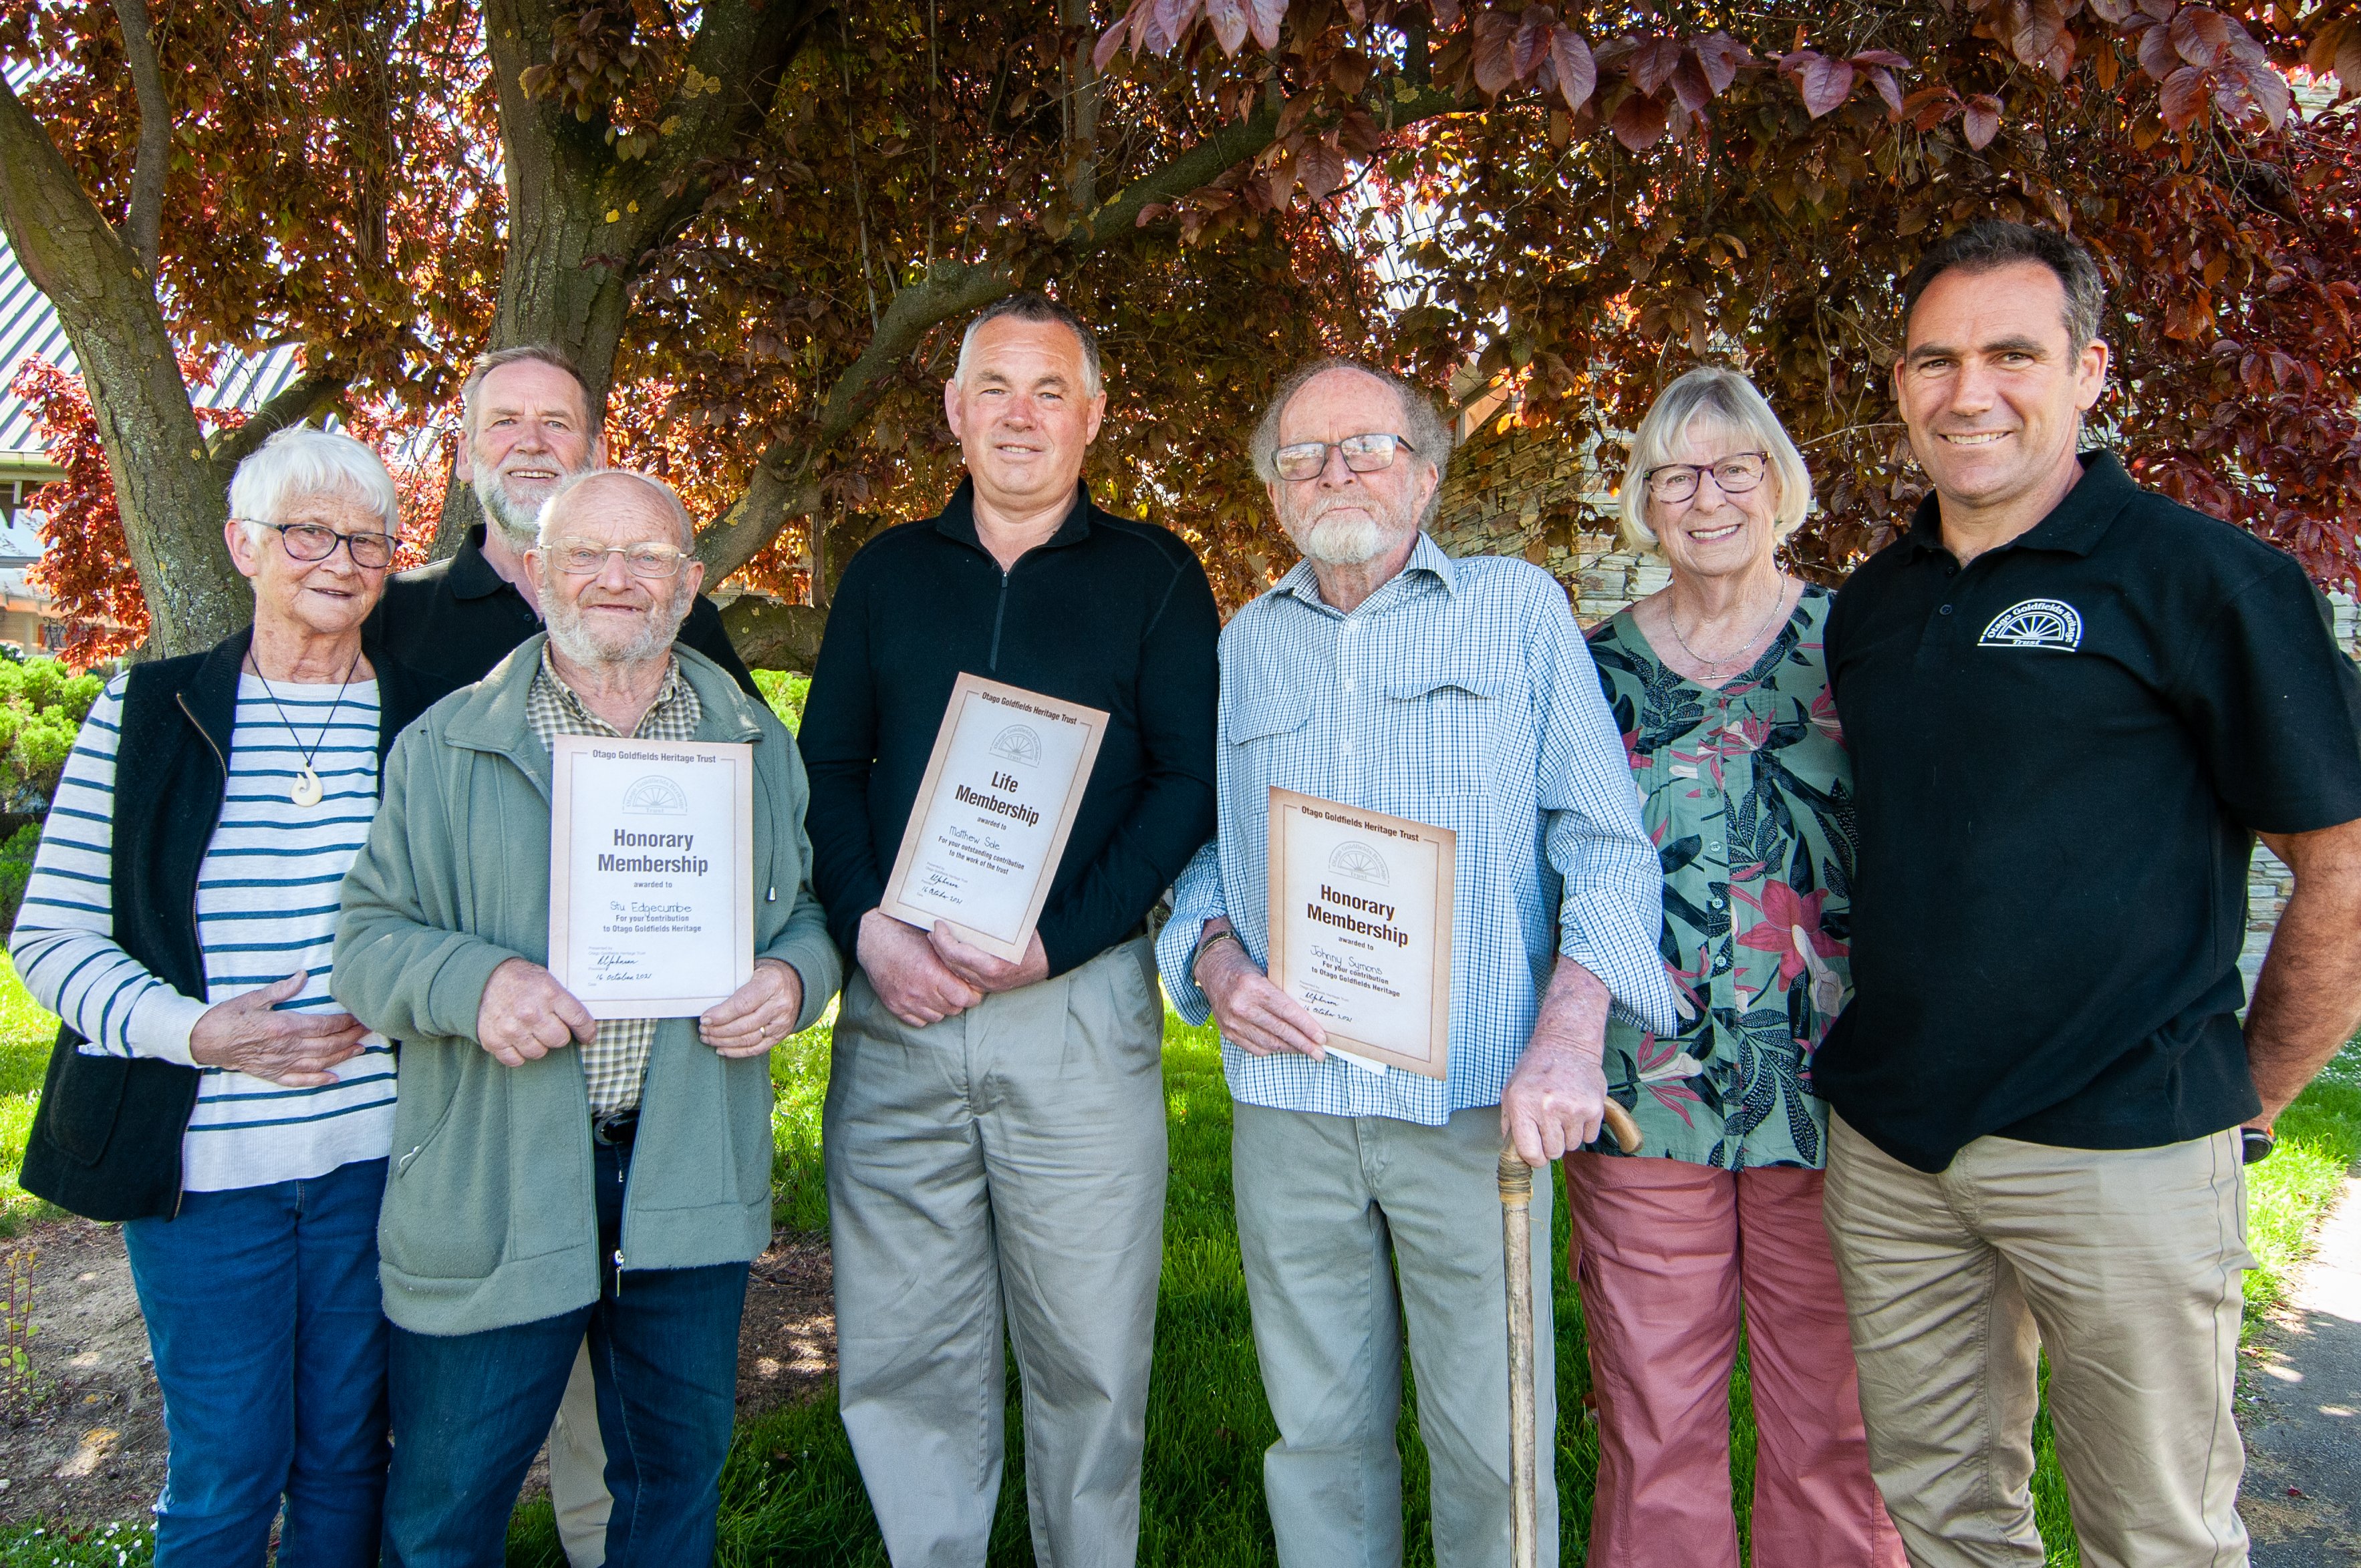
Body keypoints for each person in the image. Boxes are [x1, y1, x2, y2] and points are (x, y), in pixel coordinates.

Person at [1817, 220, 2361, 1567]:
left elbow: (2340, 863)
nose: (1968, 391)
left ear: (2088, 370)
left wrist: (2249, 1095)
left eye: (2010, 352)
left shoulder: (2203, 579)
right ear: (1898, 385)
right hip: (1894, 1149)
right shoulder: (1873, 605)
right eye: (1933, 360)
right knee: (1943, 1516)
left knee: (2153, 1536)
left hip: (2119, 1145)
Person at [1156, 357, 1679, 1568]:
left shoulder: (1517, 611)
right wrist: (1217, 957)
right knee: (1318, 1439)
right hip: (1291, 1105)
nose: (1334, 473)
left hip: (1471, 1100)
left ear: (1428, 473)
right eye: (1302, 456)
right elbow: (1200, 858)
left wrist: (1565, 1036)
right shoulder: (1240, 647)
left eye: (1367, 448)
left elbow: (1605, 846)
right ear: (1273, 492)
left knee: (1492, 1439)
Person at [332, 468, 841, 1567]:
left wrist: (794, 980)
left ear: (689, 581)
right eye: (585, 555)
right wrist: (475, 986)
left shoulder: (749, 738)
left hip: (682, 1173)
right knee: (446, 1503)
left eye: (649, 556)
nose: (617, 579)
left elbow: (801, 908)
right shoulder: (446, 744)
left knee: (670, 1487)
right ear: (533, 572)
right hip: (497, 1175)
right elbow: (365, 944)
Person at [797, 293, 1218, 1565]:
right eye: (994, 387)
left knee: (1089, 1355)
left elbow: (1185, 784)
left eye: (1050, 391)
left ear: (1093, 415)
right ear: (953, 411)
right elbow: (828, 767)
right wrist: (868, 931)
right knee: (906, 1349)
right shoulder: (885, 573)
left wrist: (1061, 941)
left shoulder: (1153, 575)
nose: (1020, 415)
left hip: (1070, 1012)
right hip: (899, 1014)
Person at [11, 427, 438, 1565]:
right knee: (227, 1470)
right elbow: (49, 938)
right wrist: (196, 1033)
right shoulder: (150, 715)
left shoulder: (421, 725)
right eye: (307, 530)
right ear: (244, 544)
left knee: (351, 1456)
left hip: (375, 1162)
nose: (338, 559)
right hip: (208, 1174)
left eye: (366, 538)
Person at [1572, 366, 1903, 1567]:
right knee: (1652, 1416)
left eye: (1732, 467)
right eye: (1672, 473)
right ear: (1642, 502)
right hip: (1640, 1086)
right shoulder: (1587, 668)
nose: (1703, 495)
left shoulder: (1860, 643)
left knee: (1835, 1421)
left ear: (1780, 485)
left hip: (1837, 1090)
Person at [370, 343, 756, 700]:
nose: (532, 443)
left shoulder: (673, 613)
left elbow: (752, 759)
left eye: (556, 423)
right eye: (505, 422)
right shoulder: (390, 614)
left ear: (598, 454)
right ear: (466, 457)